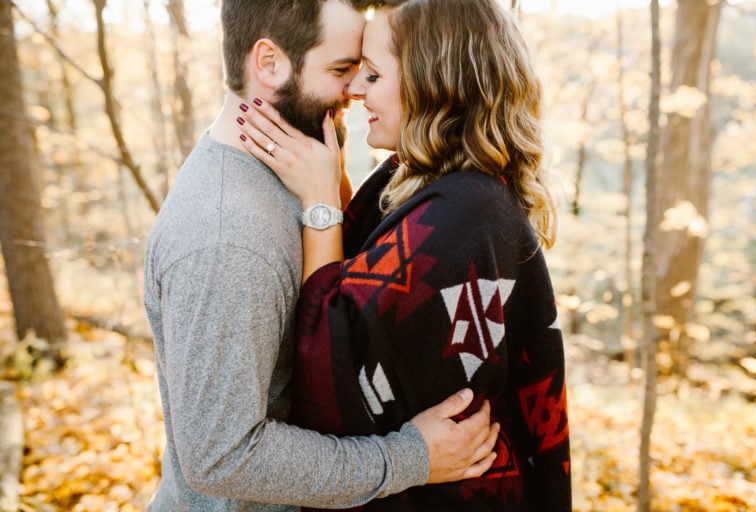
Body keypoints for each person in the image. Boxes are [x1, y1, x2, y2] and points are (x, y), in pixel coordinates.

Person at [143, 0, 500, 510]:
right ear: (269, 64)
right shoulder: (226, 237)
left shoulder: (296, 171)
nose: (357, 88)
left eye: (364, 70)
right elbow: (220, 456)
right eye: (341, 69)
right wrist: (408, 459)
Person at [236, 0, 572, 510]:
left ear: (432, 80)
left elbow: (330, 352)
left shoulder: (466, 211)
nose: (353, 89)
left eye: (372, 74)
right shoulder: (428, 186)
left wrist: (321, 206)